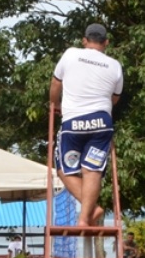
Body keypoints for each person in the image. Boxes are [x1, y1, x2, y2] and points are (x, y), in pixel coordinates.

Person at [49, 23, 124, 227]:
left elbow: (56, 84)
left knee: (63, 169)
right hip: (101, 122)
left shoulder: (71, 54)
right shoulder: (115, 65)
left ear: (84, 40)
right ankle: (84, 219)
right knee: (92, 170)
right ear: (106, 42)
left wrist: (55, 104)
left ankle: (91, 208)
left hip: (74, 121)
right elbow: (115, 99)